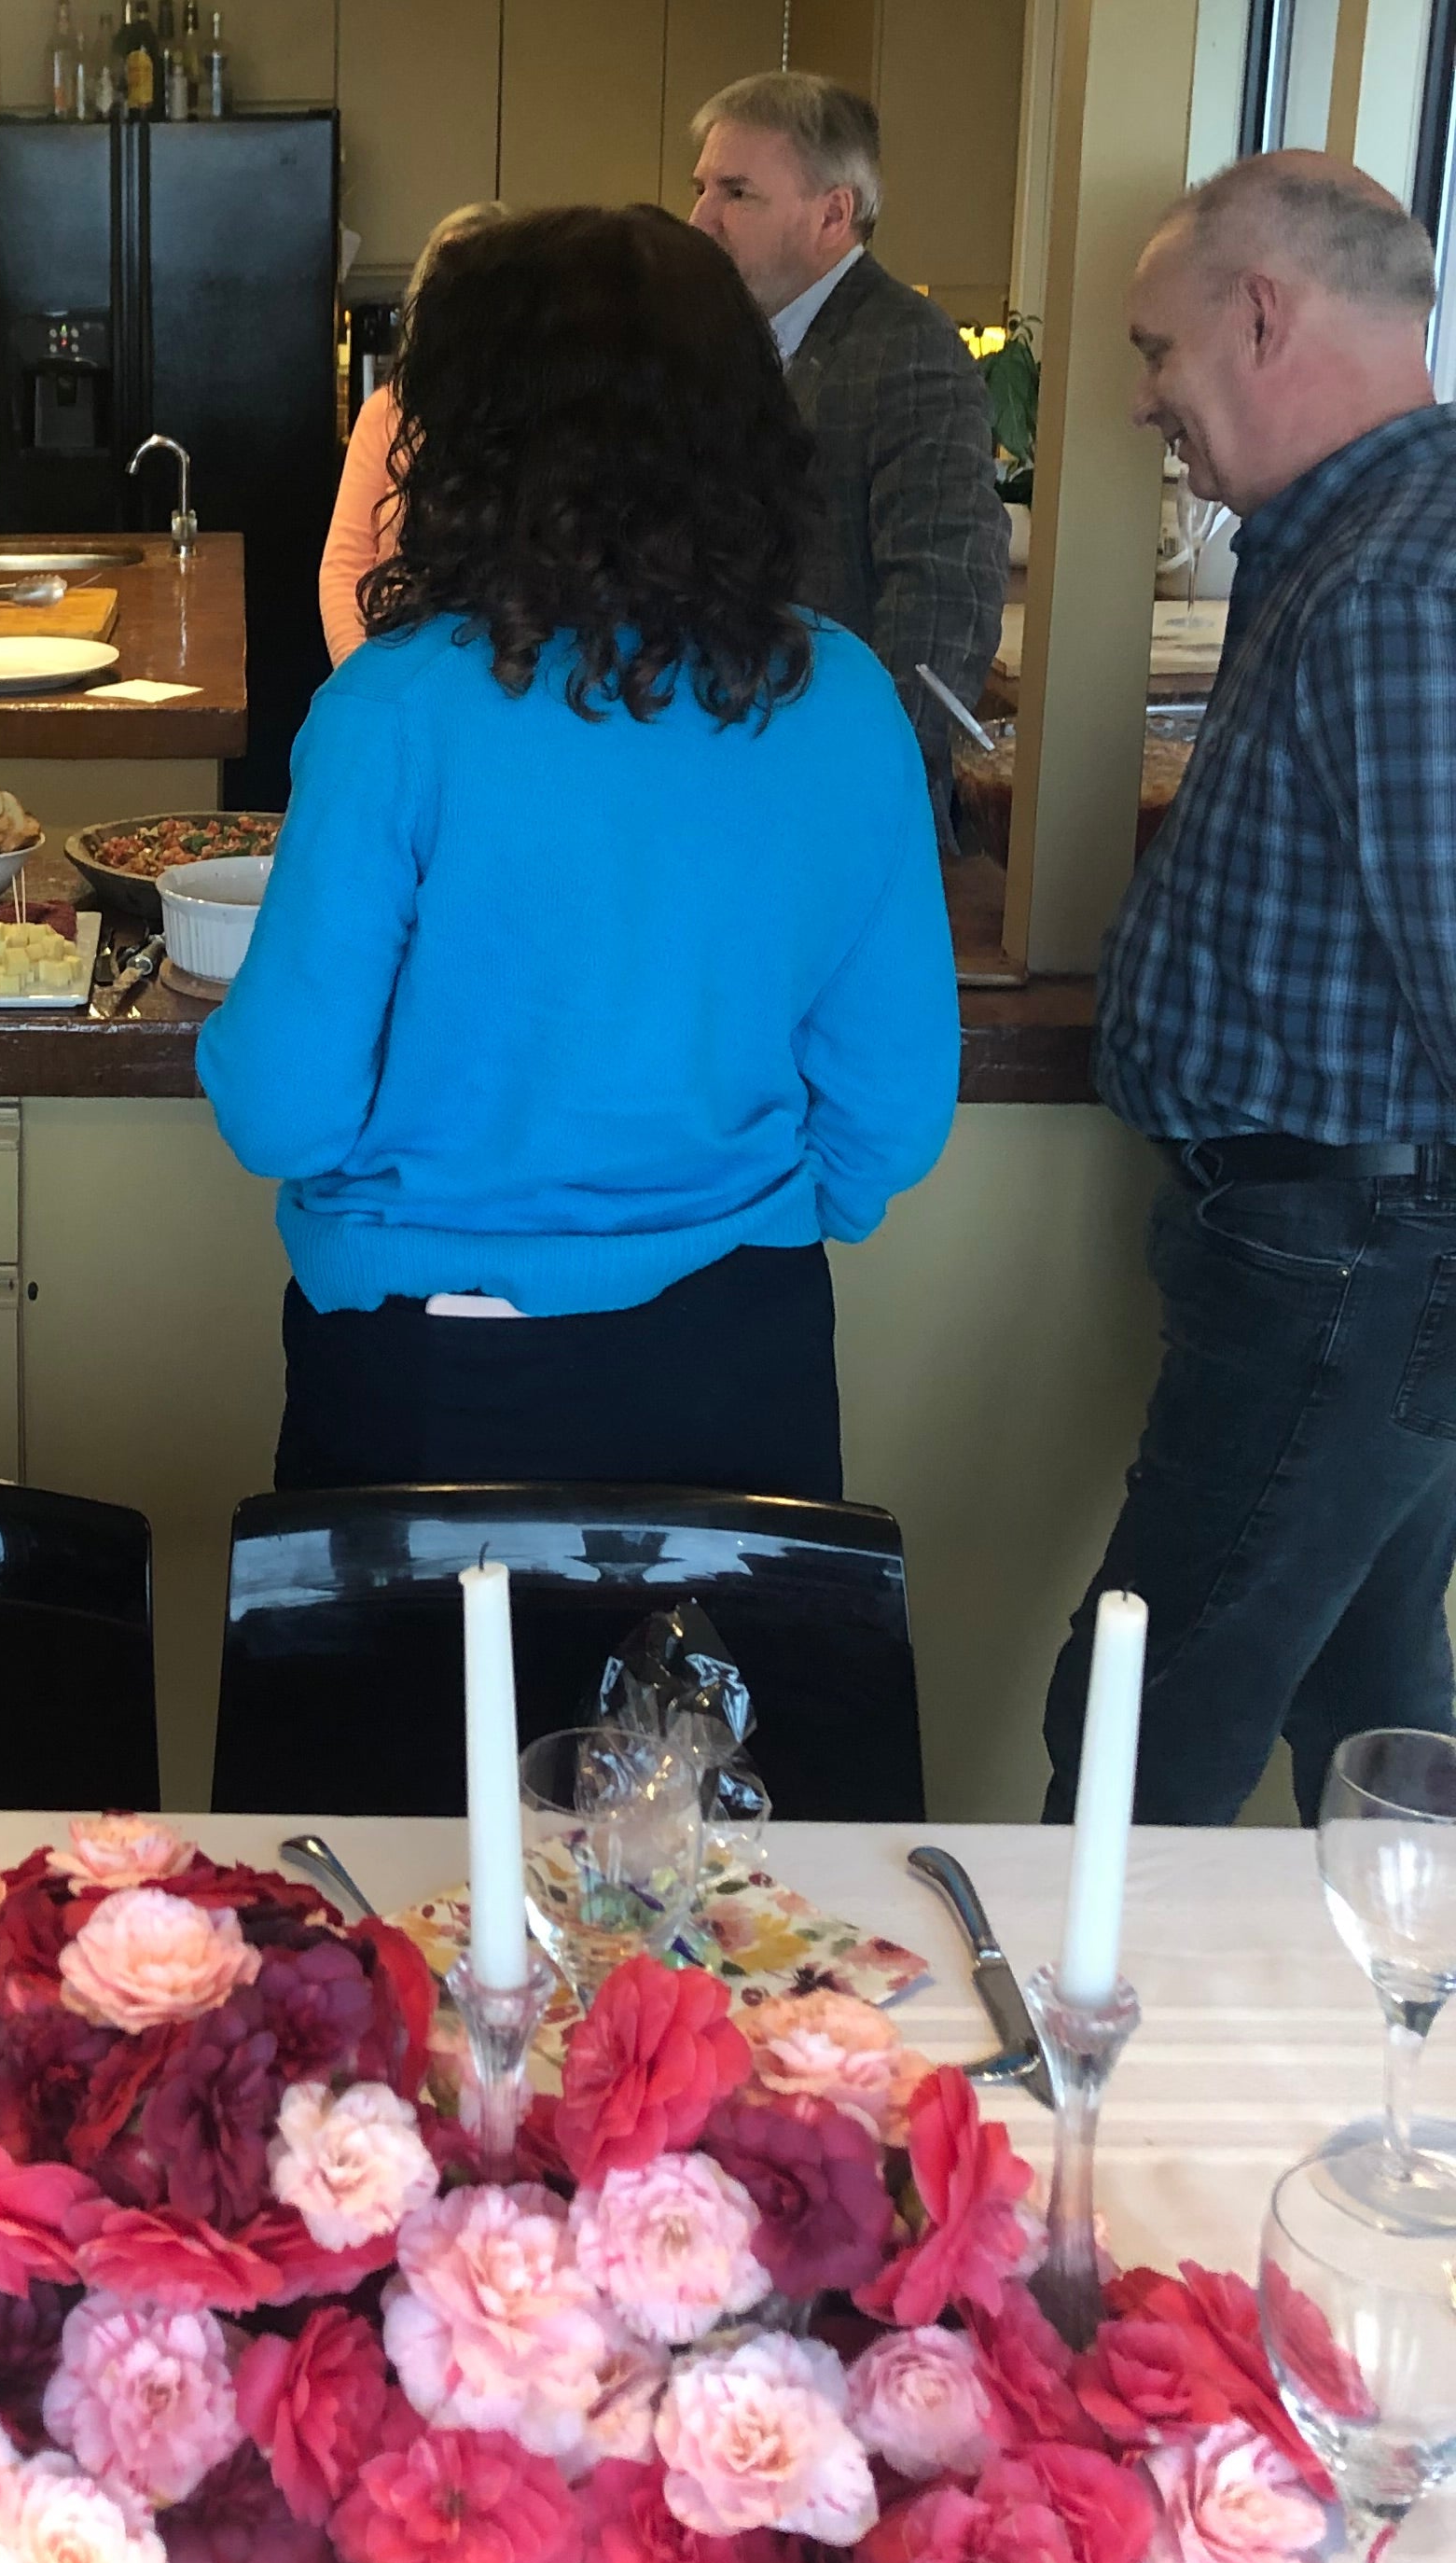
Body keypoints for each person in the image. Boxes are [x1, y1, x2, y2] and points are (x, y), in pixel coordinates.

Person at [198, 206, 958, 1499]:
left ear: (465, 435)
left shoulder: (399, 707)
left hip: (433, 1373)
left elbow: (284, 1103)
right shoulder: (844, 698)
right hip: (741, 1352)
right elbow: (892, 1107)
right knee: (700, 1709)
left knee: (406, 1711)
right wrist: (732, 1226)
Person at [1045, 152, 1456, 1828]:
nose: (1145, 397)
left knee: (1145, 1710)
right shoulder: (1356, 539)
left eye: (1153, 349)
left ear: (1262, 311)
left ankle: (1089, 2082)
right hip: (1338, 1246)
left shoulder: (1390, 582)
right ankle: (1403, 2058)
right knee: (1372, 1703)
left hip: (1344, 1257)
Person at [687, 71, 1005, 822]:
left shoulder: (907, 351)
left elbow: (942, 596)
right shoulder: (735, 339)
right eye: (701, 187)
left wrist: (873, 786)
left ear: (834, 213)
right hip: (744, 771)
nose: (700, 219)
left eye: (737, 193)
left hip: (834, 791)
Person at [319, 201, 503, 669]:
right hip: (390, 662)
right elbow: (344, 567)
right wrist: (363, 677)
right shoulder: (388, 412)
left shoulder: (547, 423)